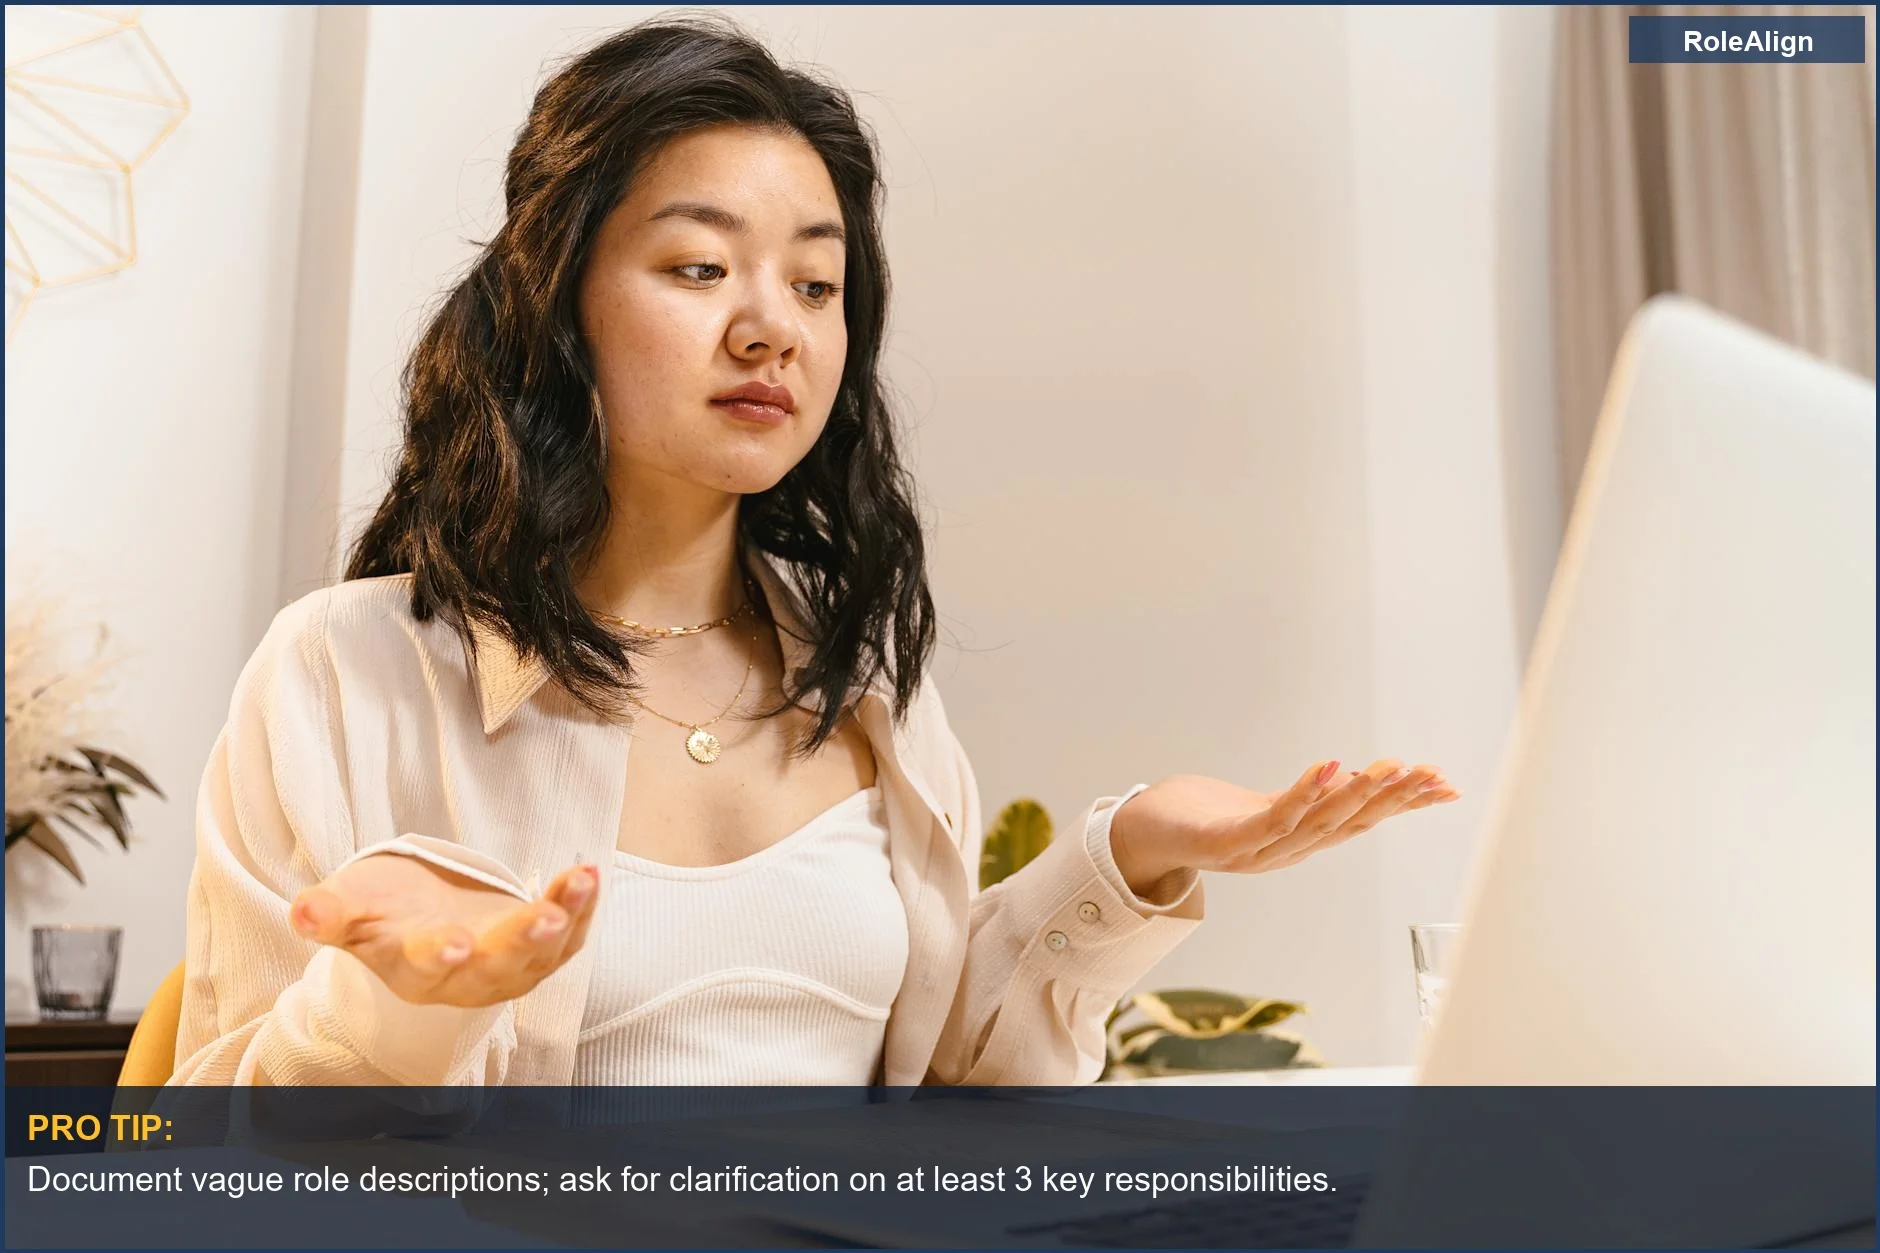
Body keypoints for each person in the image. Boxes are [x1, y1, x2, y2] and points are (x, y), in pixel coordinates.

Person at [171, 16, 1458, 1088]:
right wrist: (392, 1010)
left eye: (814, 285)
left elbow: (953, 1077)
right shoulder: (347, 673)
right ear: (555, 300)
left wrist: (1134, 854)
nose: (767, 328)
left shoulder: (860, 670)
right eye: (696, 266)